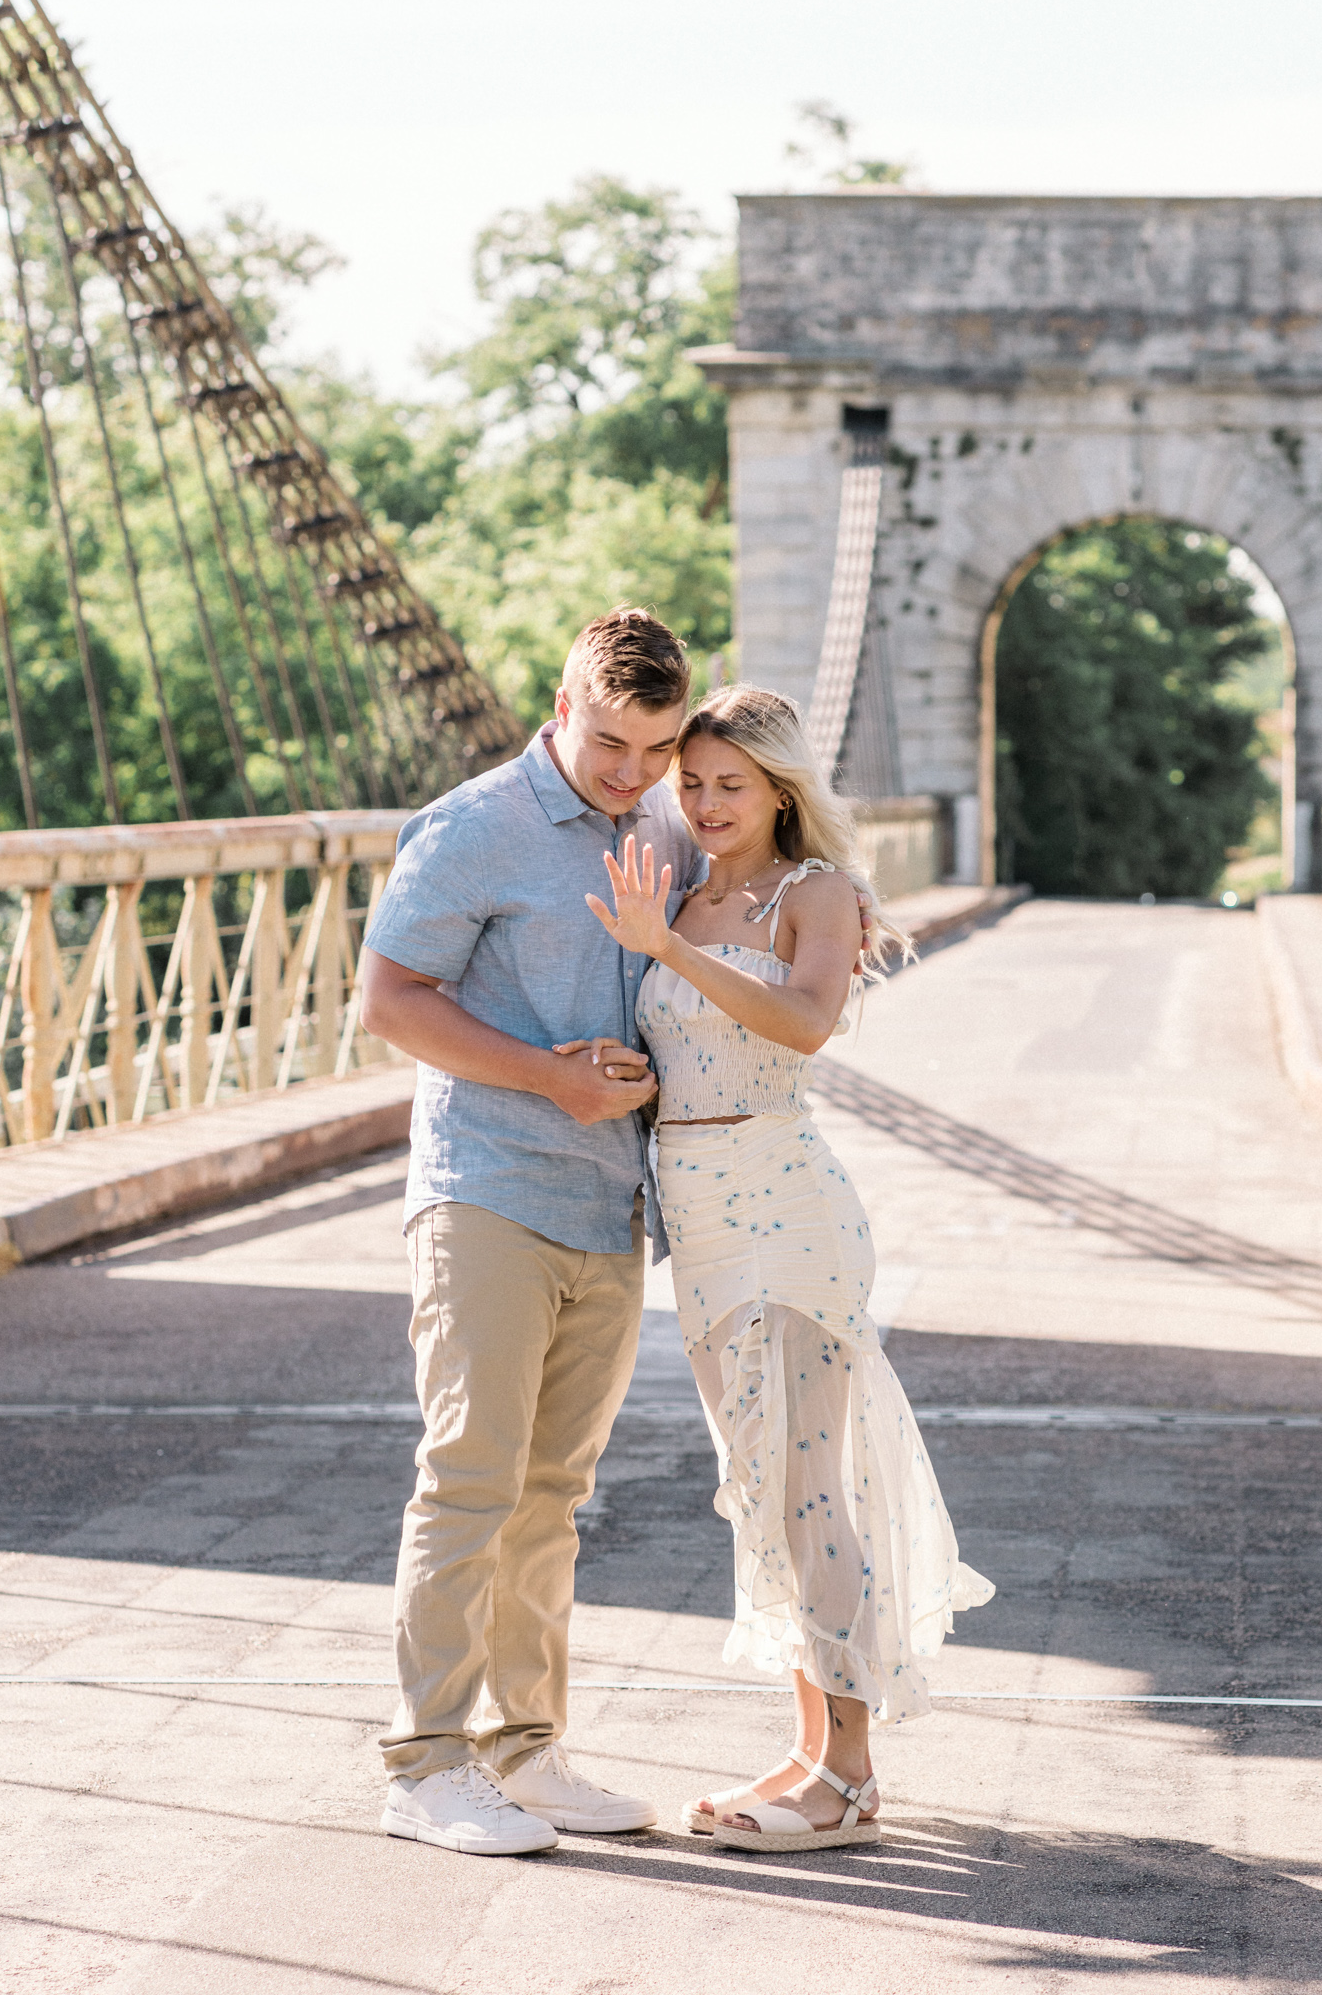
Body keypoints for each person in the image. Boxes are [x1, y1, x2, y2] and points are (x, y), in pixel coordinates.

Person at [585, 684, 994, 1854]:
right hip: (699, 1223)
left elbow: (806, 1022)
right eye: (693, 783)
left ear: (781, 790)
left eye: (732, 784)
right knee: (761, 1493)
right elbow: (690, 1050)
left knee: (810, 1494)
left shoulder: (812, 895)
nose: (707, 803)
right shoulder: (681, 885)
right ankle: (812, 1748)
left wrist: (665, 950)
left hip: (787, 1210)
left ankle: (852, 1779)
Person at [358, 608, 701, 1857]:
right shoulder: (472, 826)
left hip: (610, 1203)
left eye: (657, 748)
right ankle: (425, 1760)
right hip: (487, 1186)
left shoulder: (667, 827)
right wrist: (545, 1077)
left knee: (555, 1493)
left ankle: (525, 1746)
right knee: (470, 1477)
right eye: (611, 741)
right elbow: (388, 1001)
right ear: (560, 705)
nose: (632, 772)